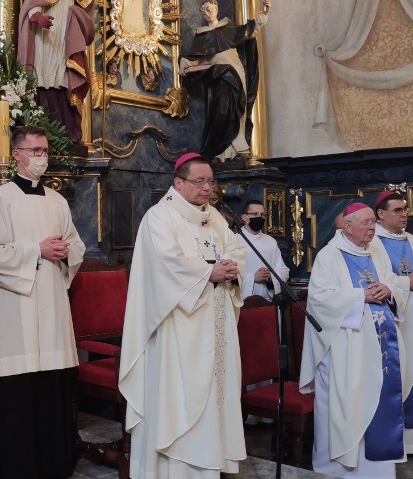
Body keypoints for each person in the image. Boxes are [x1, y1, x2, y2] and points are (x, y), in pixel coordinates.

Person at [119, 152, 247, 478]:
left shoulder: (215, 217)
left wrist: (232, 269)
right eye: (199, 181)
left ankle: (211, 463)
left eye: (211, 181)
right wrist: (208, 273)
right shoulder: (160, 217)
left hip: (214, 322)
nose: (207, 188)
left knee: (215, 394)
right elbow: (165, 264)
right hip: (179, 327)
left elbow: (236, 250)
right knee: (180, 398)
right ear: (178, 183)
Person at [0, 125, 86, 479]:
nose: (42, 157)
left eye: (45, 151)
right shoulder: (0, 197)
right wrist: (35, 251)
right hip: (17, 308)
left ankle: (55, 466)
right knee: (19, 396)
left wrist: (65, 251)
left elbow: (77, 245)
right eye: (35, 150)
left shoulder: (57, 201)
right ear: (17, 156)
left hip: (52, 306)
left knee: (52, 390)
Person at [300, 202, 410, 478]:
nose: (372, 227)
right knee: (345, 404)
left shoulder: (377, 252)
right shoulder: (329, 256)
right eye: (366, 223)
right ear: (347, 226)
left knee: (378, 398)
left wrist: (388, 288)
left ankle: (377, 468)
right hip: (344, 347)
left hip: (381, 345)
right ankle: (338, 465)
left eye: (374, 222)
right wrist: (361, 296)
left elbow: (393, 283)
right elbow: (319, 299)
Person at [371, 191, 413, 455]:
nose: (404, 215)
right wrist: (406, 283)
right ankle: (390, 439)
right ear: (381, 214)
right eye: (398, 210)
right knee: (392, 374)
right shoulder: (372, 241)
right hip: (387, 321)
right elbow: (372, 280)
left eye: (405, 210)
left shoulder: (411, 240)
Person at [180, 0, 270, 162]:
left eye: (210, 9)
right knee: (221, 112)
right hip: (219, 77)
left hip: (236, 74)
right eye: (204, 11)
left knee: (236, 109)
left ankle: (238, 150)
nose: (208, 13)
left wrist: (264, 12)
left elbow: (250, 30)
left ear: (216, 8)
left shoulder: (228, 29)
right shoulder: (203, 35)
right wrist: (184, 62)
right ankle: (221, 153)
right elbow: (197, 60)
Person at [17, 0, 95, 146]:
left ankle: (68, 130)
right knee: (46, 77)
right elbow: (31, 3)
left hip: (65, 31)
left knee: (65, 78)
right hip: (45, 35)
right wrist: (37, 15)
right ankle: (48, 131)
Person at [237, 199, 289, 300]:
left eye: (262, 215)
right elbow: (229, 274)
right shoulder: (234, 240)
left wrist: (271, 276)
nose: (259, 217)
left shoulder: (271, 241)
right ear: (244, 217)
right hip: (243, 301)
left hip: (268, 300)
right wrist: (253, 278)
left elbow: (283, 270)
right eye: (255, 214)